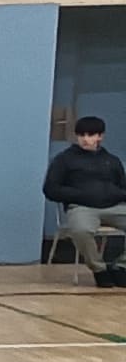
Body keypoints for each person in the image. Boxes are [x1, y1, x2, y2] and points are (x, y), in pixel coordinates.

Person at [48, 116, 122, 273]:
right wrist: (80, 195)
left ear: (100, 136)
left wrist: (114, 194)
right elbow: (50, 188)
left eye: (90, 135)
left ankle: (121, 267)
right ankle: (99, 269)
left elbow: (122, 186)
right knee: (81, 230)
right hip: (81, 207)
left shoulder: (112, 160)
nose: (85, 139)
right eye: (81, 135)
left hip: (113, 206)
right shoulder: (64, 160)